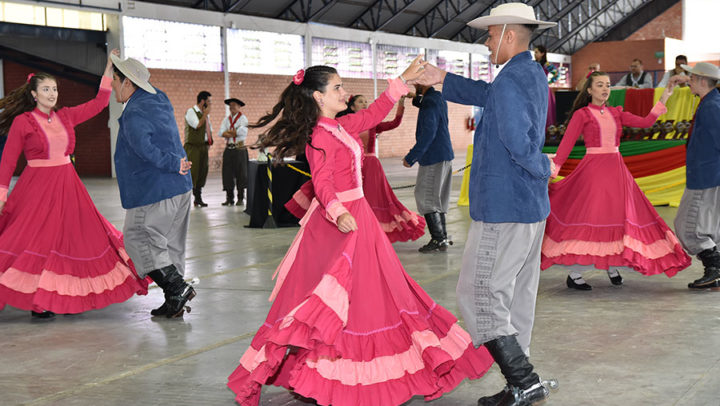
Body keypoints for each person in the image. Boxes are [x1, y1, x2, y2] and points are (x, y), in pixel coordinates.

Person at [227, 60, 494, 406]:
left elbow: (373, 116)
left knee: (373, 294)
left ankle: (346, 369)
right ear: (318, 97)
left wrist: (400, 83)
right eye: (336, 87)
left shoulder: (340, 126)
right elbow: (322, 183)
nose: (344, 92)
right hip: (339, 224)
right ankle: (327, 371)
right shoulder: (319, 135)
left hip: (358, 217)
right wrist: (338, 212)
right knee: (331, 300)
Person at [413, 3, 559, 405]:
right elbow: (491, 96)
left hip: (503, 205)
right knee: (517, 296)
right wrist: (443, 79)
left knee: (479, 293)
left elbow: (516, 139)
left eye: (491, 35)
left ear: (509, 35)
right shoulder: (527, 73)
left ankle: (523, 380)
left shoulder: (512, 79)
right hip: (529, 207)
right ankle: (521, 380)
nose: (487, 42)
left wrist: (542, 165)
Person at [0, 50, 147, 318]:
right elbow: (8, 161)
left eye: (54, 89)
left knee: (69, 241)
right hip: (36, 189)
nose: (52, 93)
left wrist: (107, 68)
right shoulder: (23, 122)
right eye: (46, 89)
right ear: (34, 94)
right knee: (34, 242)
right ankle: (37, 301)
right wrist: (1, 193)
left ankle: (55, 295)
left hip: (68, 186)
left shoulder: (66, 116)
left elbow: (100, 103)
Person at [542, 71, 691, 290]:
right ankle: (575, 274)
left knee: (618, 218)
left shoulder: (616, 112)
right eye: (600, 85)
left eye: (608, 85)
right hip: (594, 173)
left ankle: (611, 265)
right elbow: (565, 145)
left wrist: (665, 97)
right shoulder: (582, 114)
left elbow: (646, 121)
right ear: (590, 90)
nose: (604, 89)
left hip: (617, 172)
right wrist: (552, 170)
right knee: (594, 218)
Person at [110, 54, 197, 318]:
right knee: (171, 245)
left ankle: (177, 288)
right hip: (180, 187)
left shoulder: (135, 111)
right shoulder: (158, 98)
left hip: (153, 190)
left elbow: (145, 148)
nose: (113, 86)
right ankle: (174, 301)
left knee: (138, 238)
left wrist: (172, 163)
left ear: (128, 83)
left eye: (115, 81)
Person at [288, 93, 426, 242]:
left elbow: (394, 123)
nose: (364, 104)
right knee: (347, 199)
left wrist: (401, 103)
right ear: (352, 106)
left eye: (366, 101)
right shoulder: (340, 126)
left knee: (374, 200)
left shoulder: (372, 124)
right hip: (350, 169)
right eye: (361, 102)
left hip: (371, 167)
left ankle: (372, 233)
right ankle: (348, 225)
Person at [671, 63, 720, 289]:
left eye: (691, 78)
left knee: (687, 227)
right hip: (709, 174)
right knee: (709, 226)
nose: (688, 80)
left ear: (702, 81)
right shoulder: (710, 101)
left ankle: (715, 266)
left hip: (706, 176)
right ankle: (714, 270)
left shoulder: (711, 107)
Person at [402, 84, 454, 252]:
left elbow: (428, 134)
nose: (414, 85)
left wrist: (411, 157)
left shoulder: (430, 103)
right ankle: (443, 237)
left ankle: (439, 239)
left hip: (433, 156)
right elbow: (423, 104)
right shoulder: (437, 98)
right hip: (444, 155)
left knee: (426, 197)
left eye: (416, 83)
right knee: (436, 198)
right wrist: (414, 97)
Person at [184, 90, 213, 207]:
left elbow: (208, 129)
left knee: (202, 172)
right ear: (202, 101)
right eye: (209, 101)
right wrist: (205, 114)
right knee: (192, 172)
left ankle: (198, 198)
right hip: (193, 147)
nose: (210, 104)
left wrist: (209, 142)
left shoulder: (205, 114)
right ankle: (185, 200)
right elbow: (197, 125)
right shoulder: (191, 112)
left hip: (203, 147)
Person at [219, 97, 249, 206]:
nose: (232, 107)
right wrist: (232, 132)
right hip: (229, 149)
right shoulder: (226, 120)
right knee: (227, 173)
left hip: (240, 149)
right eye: (230, 105)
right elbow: (221, 133)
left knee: (241, 173)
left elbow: (240, 133)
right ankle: (229, 198)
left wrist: (230, 132)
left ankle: (241, 197)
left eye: (234, 105)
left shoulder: (243, 119)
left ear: (239, 107)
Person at [533, 45, 558, 129]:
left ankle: (547, 129)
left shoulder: (546, 64)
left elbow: (556, 74)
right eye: (534, 52)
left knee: (546, 110)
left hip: (543, 90)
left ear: (542, 53)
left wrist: (548, 82)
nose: (534, 54)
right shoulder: (533, 64)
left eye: (536, 52)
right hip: (534, 90)